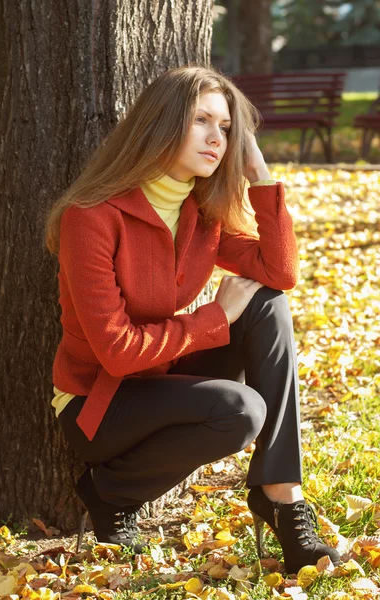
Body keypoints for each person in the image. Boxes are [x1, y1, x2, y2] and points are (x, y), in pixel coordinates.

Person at [45, 65, 340, 574]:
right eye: (201, 120)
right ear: (162, 123)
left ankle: (283, 498)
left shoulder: (200, 213)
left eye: (225, 127)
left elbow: (279, 272)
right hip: (99, 404)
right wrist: (212, 319)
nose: (217, 137)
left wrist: (262, 178)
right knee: (240, 410)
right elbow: (115, 350)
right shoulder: (91, 218)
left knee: (267, 302)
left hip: (162, 376)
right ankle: (108, 491)